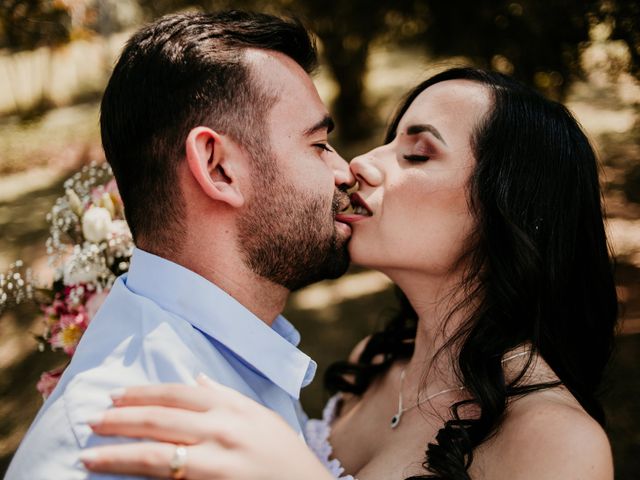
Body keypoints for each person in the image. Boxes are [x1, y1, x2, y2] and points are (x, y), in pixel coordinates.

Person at [80, 67, 617, 480]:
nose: (360, 163)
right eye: (389, 140)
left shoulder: (560, 444)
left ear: (505, 211)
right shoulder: (375, 361)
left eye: (417, 154)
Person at [5, 10, 357, 479]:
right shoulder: (104, 448)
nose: (344, 171)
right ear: (217, 168)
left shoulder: (233, 356)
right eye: (318, 145)